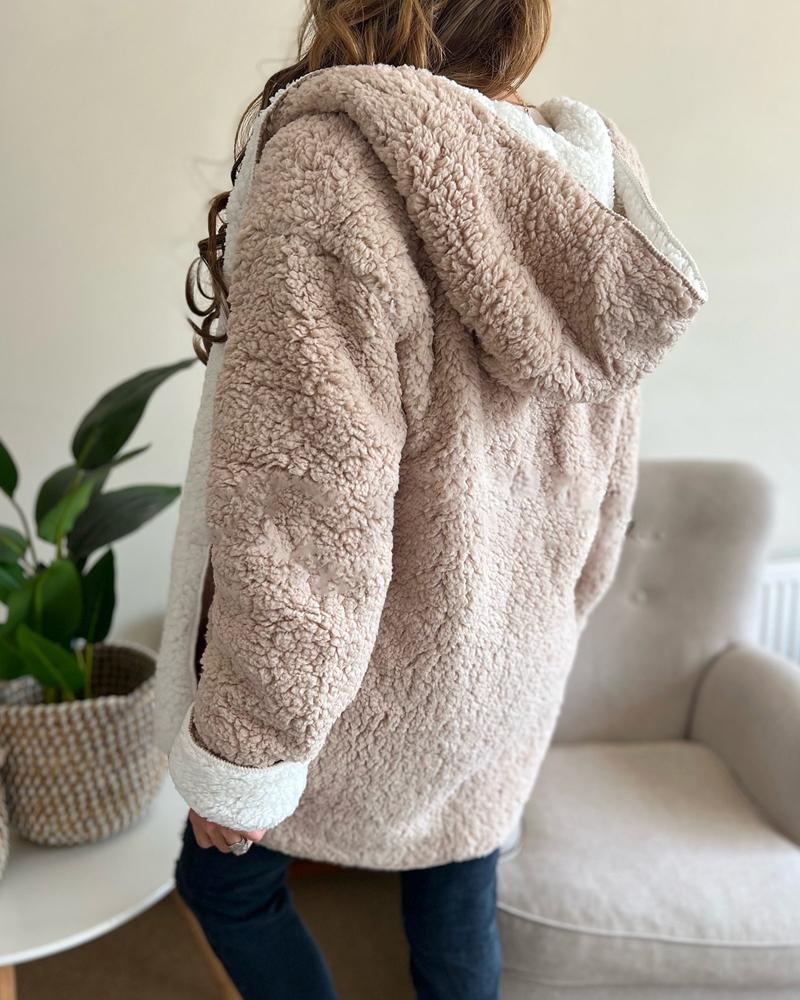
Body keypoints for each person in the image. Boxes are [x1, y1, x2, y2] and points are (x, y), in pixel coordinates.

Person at [153, 1, 708, 997]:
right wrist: (553, 619)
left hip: (371, 678)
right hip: (508, 664)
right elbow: (609, 479)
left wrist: (247, 752)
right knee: (457, 910)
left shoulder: (336, 167)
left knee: (222, 884)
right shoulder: (576, 177)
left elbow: (303, 508)